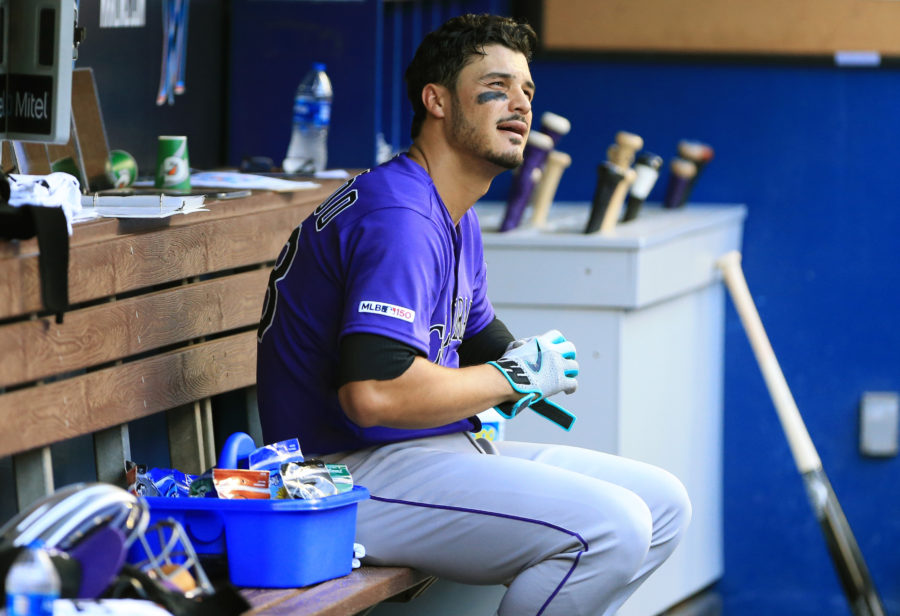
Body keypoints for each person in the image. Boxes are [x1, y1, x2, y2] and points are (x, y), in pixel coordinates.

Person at [256, 13, 691, 616]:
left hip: (418, 453)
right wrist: (513, 379)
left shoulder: (448, 208)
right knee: (609, 527)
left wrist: (522, 366)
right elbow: (374, 394)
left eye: (527, 90)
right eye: (495, 87)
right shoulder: (402, 217)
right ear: (436, 100)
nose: (519, 104)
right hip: (333, 478)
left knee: (664, 503)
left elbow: (479, 337)